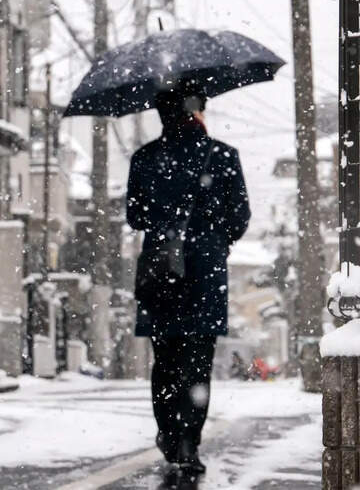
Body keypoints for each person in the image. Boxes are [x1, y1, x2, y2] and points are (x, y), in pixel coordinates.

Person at [126, 89, 250, 486]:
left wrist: (167, 223)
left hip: (161, 270)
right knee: (197, 363)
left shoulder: (145, 159)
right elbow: (240, 216)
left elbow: (134, 216)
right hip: (205, 272)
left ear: (161, 115)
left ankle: (167, 432)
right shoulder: (223, 156)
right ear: (199, 111)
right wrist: (214, 239)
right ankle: (188, 443)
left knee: (164, 361)